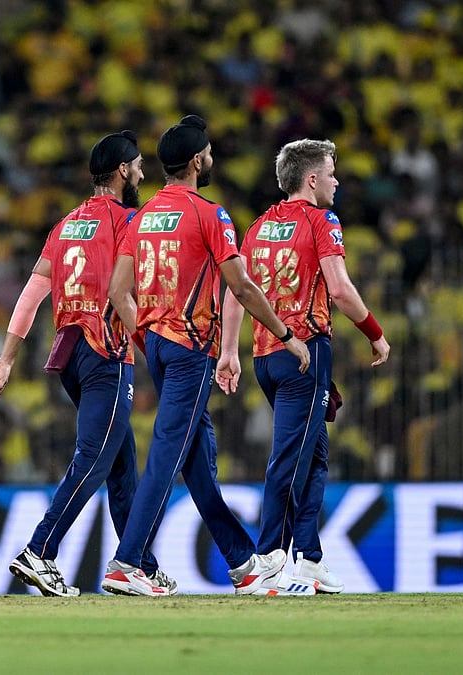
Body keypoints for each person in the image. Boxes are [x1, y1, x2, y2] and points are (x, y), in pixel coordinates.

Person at [101, 115, 313, 597]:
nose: (213, 158)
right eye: (210, 152)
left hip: (156, 344)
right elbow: (240, 284)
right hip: (189, 347)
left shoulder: (144, 215)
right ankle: (126, 562)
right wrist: (285, 333)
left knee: (198, 464)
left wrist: (148, 337)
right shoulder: (209, 214)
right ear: (197, 161)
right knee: (167, 454)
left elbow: (118, 291)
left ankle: (243, 563)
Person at [0, 130, 175, 597]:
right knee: (94, 458)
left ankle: (137, 565)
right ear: (123, 170)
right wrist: (156, 346)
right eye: (140, 165)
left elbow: (31, 295)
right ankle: (39, 552)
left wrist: (7, 358)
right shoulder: (130, 220)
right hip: (107, 352)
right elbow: (127, 292)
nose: (144, 173)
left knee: (122, 465)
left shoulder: (67, 224)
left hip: (70, 353)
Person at [239, 138, 390, 593]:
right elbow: (340, 290)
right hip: (306, 352)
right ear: (311, 179)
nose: (336, 179)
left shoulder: (260, 226)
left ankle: (308, 558)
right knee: (291, 455)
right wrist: (376, 333)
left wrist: (229, 351)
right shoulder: (322, 220)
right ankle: (268, 556)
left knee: (315, 454)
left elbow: (236, 290)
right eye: (330, 171)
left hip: (265, 354)